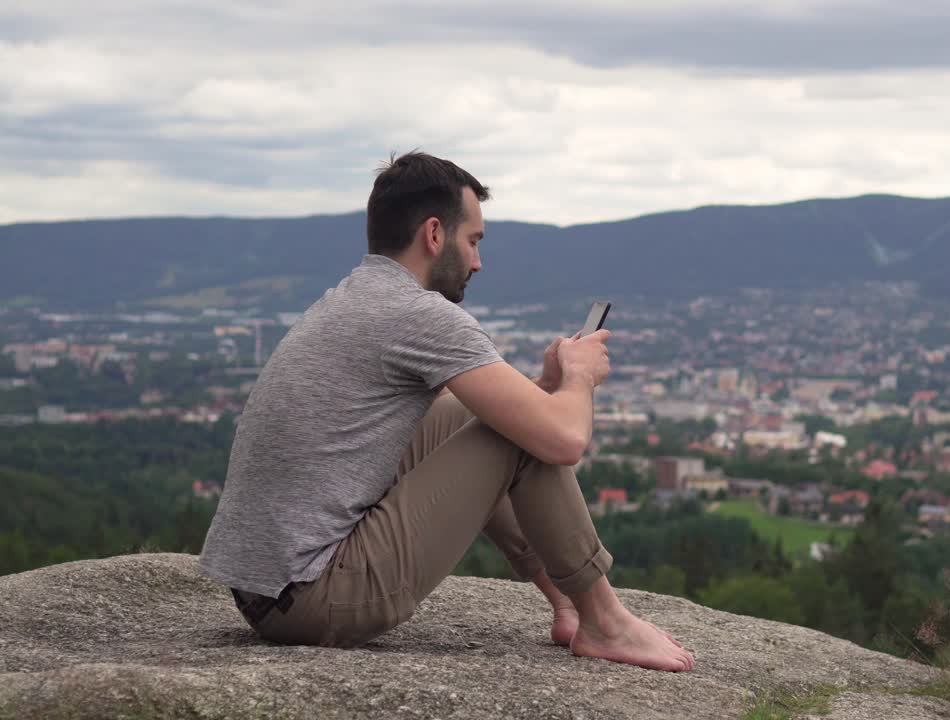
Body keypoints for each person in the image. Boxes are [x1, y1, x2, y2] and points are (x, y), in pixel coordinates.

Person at [199, 152, 693, 672]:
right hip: (312, 599)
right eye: (473, 240)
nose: (477, 261)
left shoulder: (354, 297)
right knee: (520, 437)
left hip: (265, 590)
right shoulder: (421, 315)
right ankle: (605, 622)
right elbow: (563, 440)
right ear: (435, 234)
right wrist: (578, 379)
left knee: (475, 416)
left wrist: (542, 388)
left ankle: (569, 604)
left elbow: (467, 415)